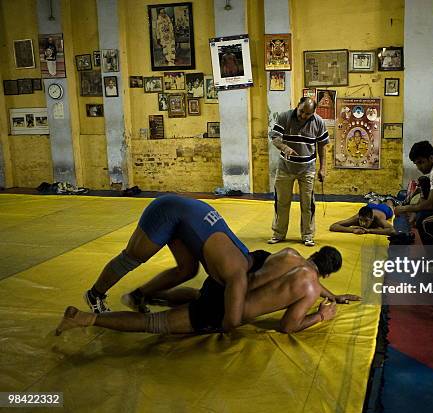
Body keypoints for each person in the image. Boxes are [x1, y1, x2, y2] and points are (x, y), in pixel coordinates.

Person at [57, 245, 359, 336]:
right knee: (155, 324)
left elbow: (300, 275)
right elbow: (287, 326)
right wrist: (323, 314)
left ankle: (148, 294)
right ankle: (86, 319)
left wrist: (329, 294)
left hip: (224, 283)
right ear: (328, 273)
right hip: (225, 311)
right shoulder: (310, 288)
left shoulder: (290, 255)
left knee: (197, 297)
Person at [81, 195, 256, 333]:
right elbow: (230, 321)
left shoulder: (244, 258)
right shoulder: (233, 272)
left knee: (187, 270)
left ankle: (138, 296)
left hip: (188, 216)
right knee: (132, 257)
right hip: (168, 211)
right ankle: (94, 294)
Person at [268, 97, 329, 247]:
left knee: (307, 204)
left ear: (313, 113)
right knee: (281, 202)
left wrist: (323, 168)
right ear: (297, 106)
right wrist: (284, 148)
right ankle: (278, 234)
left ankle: (307, 235)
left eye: (307, 114)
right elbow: (275, 138)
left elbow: (322, 145)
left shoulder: (319, 122)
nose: (303, 116)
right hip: (285, 168)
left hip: (307, 169)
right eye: (301, 111)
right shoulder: (284, 117)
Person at [394, 141, 433, 244]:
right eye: (416, 164)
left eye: (421, 162)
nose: (419, 167)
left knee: (423, 220)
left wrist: (404, 208)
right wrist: (414, 210)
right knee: (423, 184)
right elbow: (425, 199)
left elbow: (431, 204)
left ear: (431, 158)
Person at [329, 200, 396, 236]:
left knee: (389, 204)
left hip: (384, 210)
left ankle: (389, 199)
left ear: (372, 219)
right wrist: (351, 230)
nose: (362, 223)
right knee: (372, 202)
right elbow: (333, 226)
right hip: (370, 206)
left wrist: (370, 231)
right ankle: (376, 200)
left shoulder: (378, 219)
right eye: (361, 220)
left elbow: (391, 230)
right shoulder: (357, 218)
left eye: (366, 221)